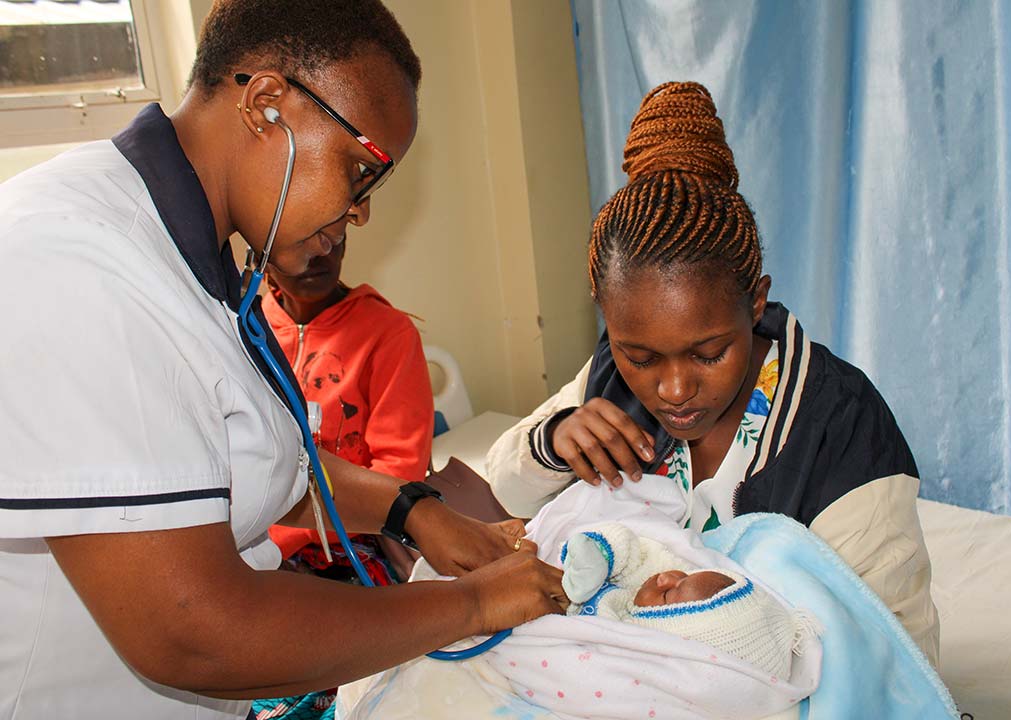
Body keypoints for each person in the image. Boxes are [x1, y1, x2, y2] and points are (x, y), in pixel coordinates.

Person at [0, 2, 566, 718]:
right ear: (267, 104)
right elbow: (193, 632)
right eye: (361, 169)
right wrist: (473, 604)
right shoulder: (80, 265)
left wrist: (410, 509)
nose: (359, 212)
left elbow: (241, 463)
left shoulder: (199, 262)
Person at [487, 81, 940, 665]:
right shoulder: (609, 376)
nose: (672, 389)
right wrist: (551, 442)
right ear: (605, 311)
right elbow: (506, 486)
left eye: (708, 353)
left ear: (755, 302)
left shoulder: (839, 425)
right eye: (642, 357)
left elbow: (893, 649)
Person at [263, 238, 433, 584]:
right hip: (262, 541)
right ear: (262, 256)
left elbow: (398, 474)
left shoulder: (387, 333)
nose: (318, 255)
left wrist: (283, 535)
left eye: (330, 238)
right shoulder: (248, 331)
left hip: (357, 540)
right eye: (298, 242)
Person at [560, 522, 817, 683]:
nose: (666, 577)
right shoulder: (645, 582)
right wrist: (598, 557)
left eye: (668, 594)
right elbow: (636, 549)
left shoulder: (634, 645)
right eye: (684, 576)